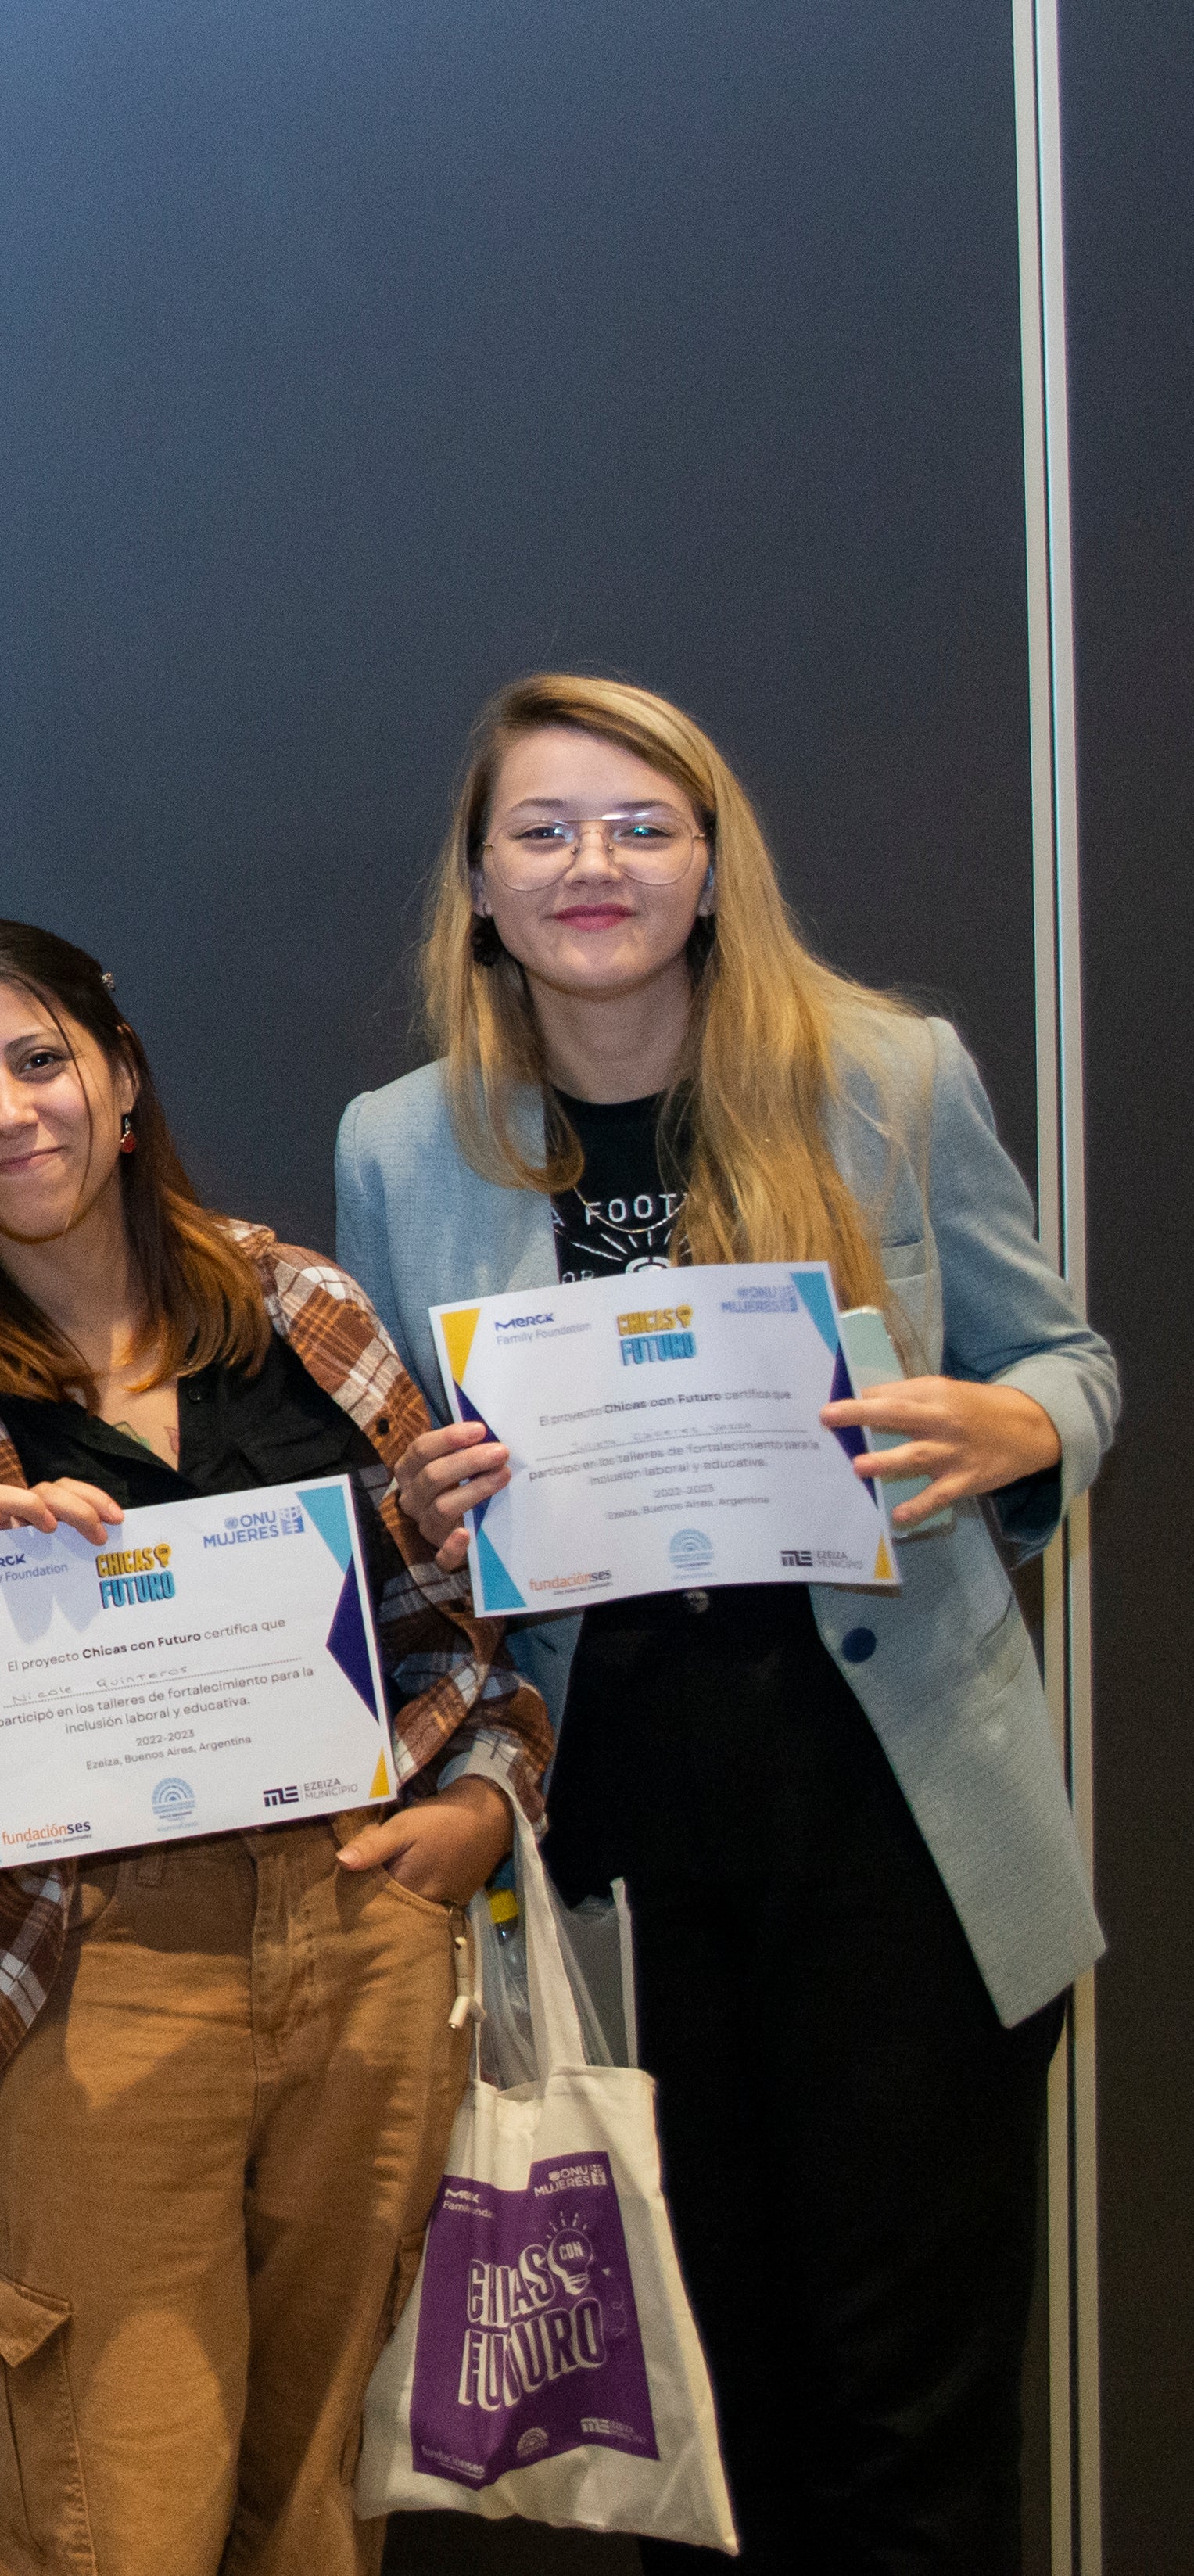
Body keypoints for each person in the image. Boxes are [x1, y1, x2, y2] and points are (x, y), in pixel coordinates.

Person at [337, 673, 1111, 2575]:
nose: (589, 864)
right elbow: (393, 1508)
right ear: (479, 882)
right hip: (611, 1833)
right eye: (541, 830)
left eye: (637, 826)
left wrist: (1012, 1424)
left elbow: (1067, 1368)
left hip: (891, 1815)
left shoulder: (886, 1076)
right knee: (704, 2418)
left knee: (907, 2413)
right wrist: (413, 1509)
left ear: (706, 868)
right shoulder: (397, 1143)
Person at [0, 917, 551, 2576]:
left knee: (314, 2512)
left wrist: (483, 1806)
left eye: (39, 1061)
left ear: (119, 1082)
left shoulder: (301, 1307)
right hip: (94, 1969)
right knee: (107, 2522)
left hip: (358, 1938)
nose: (8, 1112)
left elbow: (468, 1634)